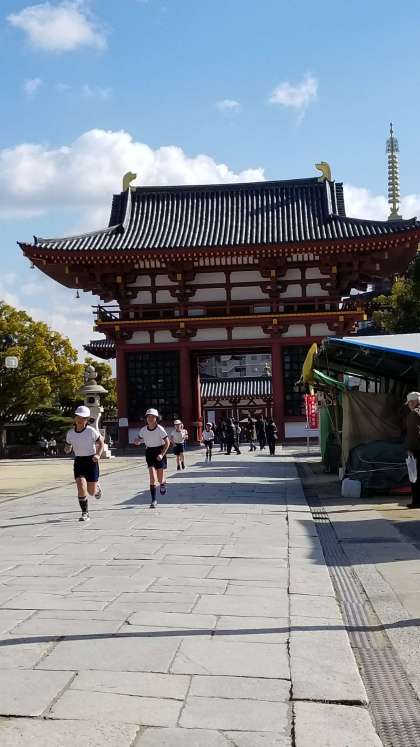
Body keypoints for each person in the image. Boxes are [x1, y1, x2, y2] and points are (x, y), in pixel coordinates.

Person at [64, 405, 104, 522]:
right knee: (81, 485)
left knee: (91, 492)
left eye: (83, 418)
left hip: (91, 461)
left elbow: (101, 443)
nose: (80, 420)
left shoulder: (91, 431)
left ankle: (97, 488)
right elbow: (67, 446)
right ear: (75, 418)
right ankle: (85, 512)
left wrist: (98, 455)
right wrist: (67, 449)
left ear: (87, 419)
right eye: (78, 417)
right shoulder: (70, 433)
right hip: (79, 461)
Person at [134, 408, 170, 508]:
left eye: (153, 417)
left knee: (160, 479)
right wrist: (137, 441)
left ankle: (162, 483)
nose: (150, 419)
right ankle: (154, 500)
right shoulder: (143, 430)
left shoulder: (160, 429)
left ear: (156, 418)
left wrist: (162, 454)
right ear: (146, 418)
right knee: (152, 478)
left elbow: (167, 442)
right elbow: (139, 439)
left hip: (159, 451)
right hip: (149, 452)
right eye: (148, 417)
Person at [405, 392, 420, 508]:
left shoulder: (414, 414)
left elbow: (412, 434)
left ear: (413, 402)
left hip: (416, 450)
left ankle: (417, 502)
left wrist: (410, 449)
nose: (409, 406)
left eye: (409, 403)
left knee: (415, 477)